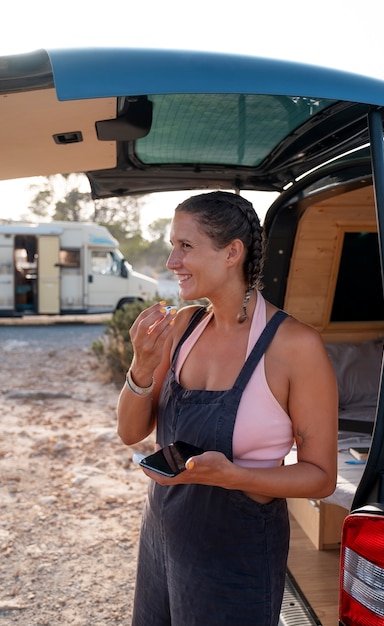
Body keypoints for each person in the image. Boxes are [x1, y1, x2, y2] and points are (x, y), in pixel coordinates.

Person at [117, 191, 338, 626]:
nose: (171, 262)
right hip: (163, 538)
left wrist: (232, 476)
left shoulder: (295, 346)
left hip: (237, 556)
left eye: (185, 246)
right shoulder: (182, 327)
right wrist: (141, 365)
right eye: (171, 245)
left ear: (232, 252)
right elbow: (130, 433)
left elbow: (322, 477)